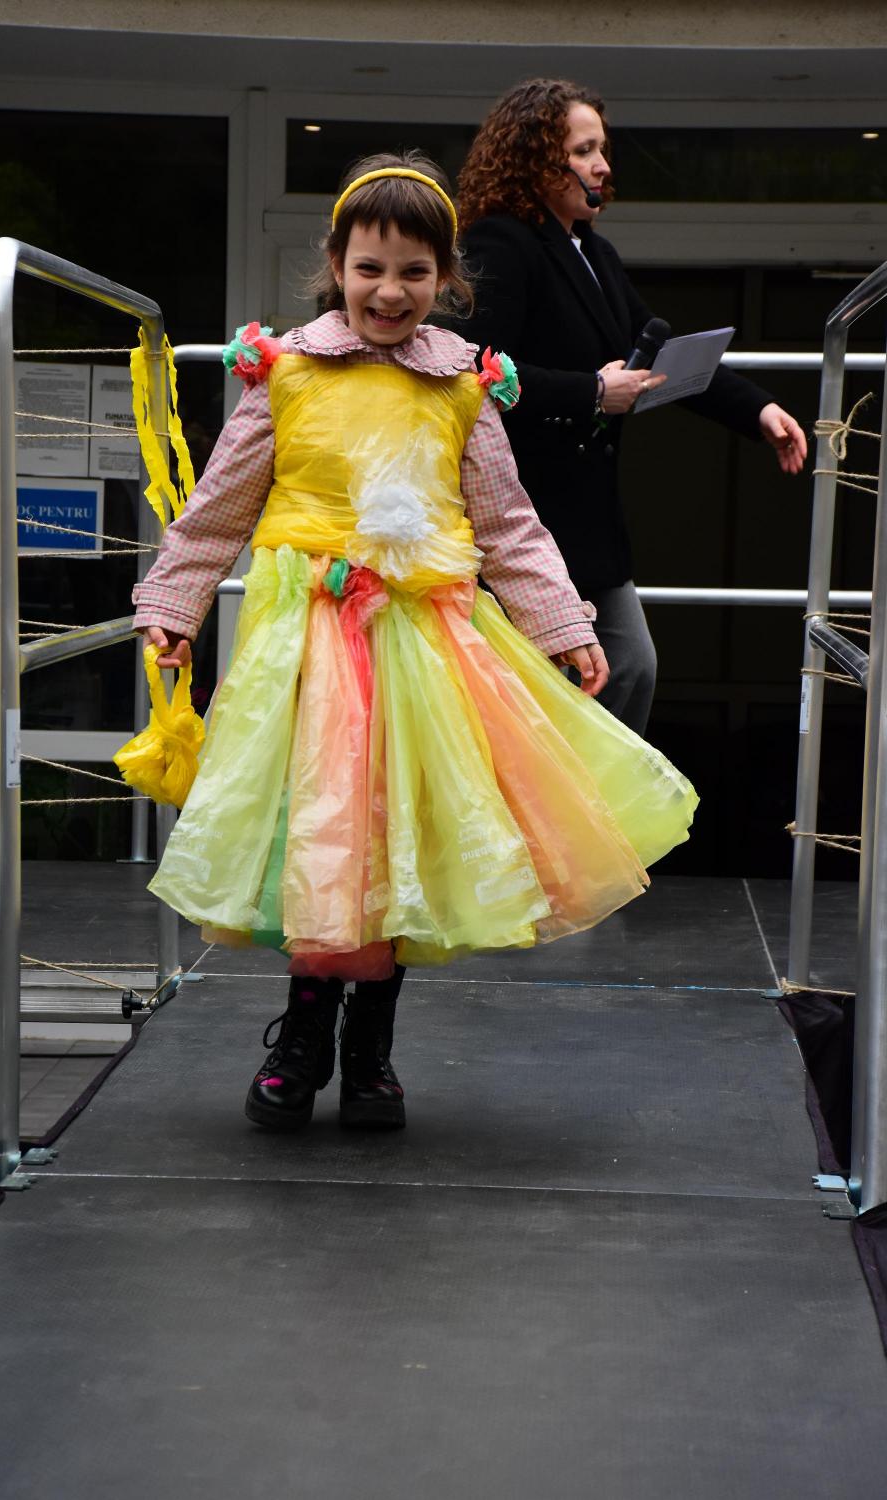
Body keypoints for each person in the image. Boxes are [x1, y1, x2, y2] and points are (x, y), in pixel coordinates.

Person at [131, 150, 698, 1136]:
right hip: (309, 647)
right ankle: (304, 1039)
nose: (389, 292)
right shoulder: (285, 372)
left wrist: (564, 625)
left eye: (413, 272)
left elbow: (509, 527)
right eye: (369, 268)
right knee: (325, 834)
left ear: (446, 278)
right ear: (335, 266)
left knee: (395, 840)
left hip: (427, 647)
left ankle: (369, 1050)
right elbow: (219, 508)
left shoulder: (462, 386)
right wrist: (175, 604)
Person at [457, 79, 808, 735]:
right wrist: (591, 392)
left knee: (629, 666)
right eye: (583, 151)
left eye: (601, 150)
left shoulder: (593, 250)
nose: (602, 166)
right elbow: (477, 367)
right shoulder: (501, 243)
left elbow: (663, 355)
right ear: (535, 158)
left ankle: (583, 798)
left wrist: (756, 411)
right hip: (524, 515)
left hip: (587, 520)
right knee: (561, 686)